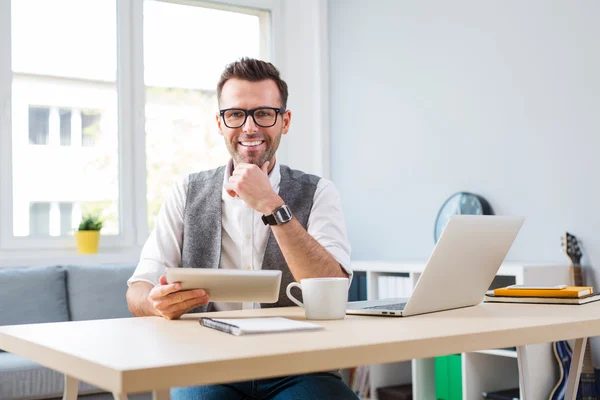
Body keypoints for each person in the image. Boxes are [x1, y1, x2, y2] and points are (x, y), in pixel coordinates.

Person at [126, 57, 358, 400]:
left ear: (285, 121)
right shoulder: (186, 191)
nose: (249, 127)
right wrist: (156, 304)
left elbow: (332, 288)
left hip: (299, 367)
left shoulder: (319, 192)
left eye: (263, 113)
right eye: (236, 114)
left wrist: (272, 205)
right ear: (220, 124)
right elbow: (137, 291)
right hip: (206, 364)